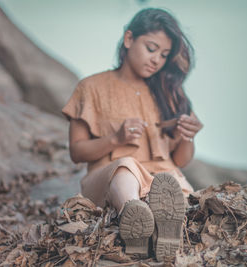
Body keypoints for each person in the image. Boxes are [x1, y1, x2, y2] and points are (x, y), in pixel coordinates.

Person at [62, 8, 203, 261]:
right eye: (151, 48)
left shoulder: (169, 93)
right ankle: (135, 218)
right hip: (109, 180)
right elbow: (76, 151)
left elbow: (180, 160)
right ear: (129, 39)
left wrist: (187, 135)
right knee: (126, 167)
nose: (157, 60)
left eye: (164, 55)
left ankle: (160, 231)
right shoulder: (91, 87)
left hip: (162, 180)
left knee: (171, 180)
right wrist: (115, 140)